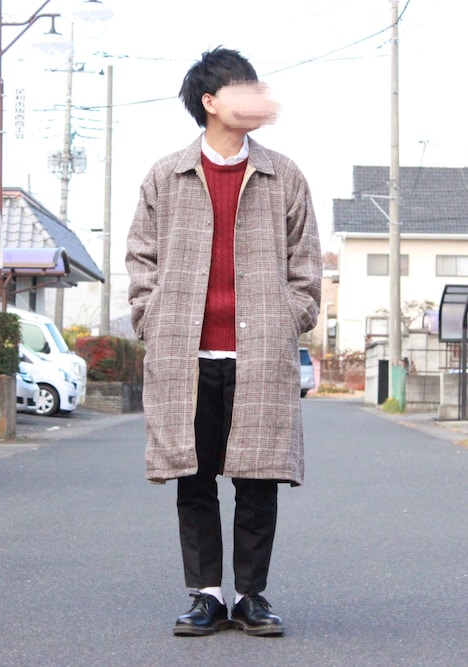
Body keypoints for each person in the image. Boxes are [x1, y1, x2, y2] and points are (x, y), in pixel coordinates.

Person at [126, 47, 322, 637]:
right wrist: (150, 317)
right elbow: (140, 258)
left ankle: (252, 596)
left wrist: (289, 317)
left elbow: (306, 265)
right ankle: (207, 595)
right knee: (194, 477)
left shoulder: (284, 175)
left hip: (260, 353)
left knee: (258, 477)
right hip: (184, 355)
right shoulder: (166, 175)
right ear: (210, 102)